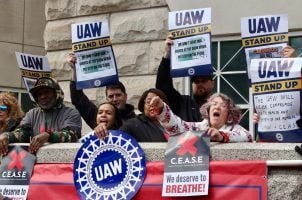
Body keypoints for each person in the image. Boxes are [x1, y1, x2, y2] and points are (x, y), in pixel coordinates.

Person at [0, 77, 82, 155]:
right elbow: (22, 133)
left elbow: (72, 136)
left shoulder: (71, 113)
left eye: (47, 92)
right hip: (37, 164)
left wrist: (49, 136)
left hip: (63, 164)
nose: (43, 96)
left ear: (57, 93)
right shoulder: (32, 114)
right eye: (39, 94)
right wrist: (6, 136)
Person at [67, 52, 136, 129]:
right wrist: (75, 70)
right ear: (106, 98)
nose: (115, 99)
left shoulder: (137, 122)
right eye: (111, 96)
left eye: (118, 95)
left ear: (125, 96)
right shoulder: (98, 116)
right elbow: (78, 98)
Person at [156, 35, 214, 122]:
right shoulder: (182, 103)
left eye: (204, 81)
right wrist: (167, 56)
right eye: (196, 81)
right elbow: (163, 86)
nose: (200, 84)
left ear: (213, 83)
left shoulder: (219, 106)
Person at [149, 93, 252, 142]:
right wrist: (162, 109)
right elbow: (176, 127)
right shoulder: (198, 127)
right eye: (214, 104)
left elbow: (247, 136)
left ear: (229, 113)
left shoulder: (236, 129)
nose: (217, 107)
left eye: (223, 105)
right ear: (208, 110)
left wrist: (221, 136)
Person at [94, 88, 169, 142]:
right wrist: (102, 130)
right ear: (143, 105)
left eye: (157, 102)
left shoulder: (174, 123)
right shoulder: (133, 125)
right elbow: (115, 142)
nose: (152, 105)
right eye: (148, 102)